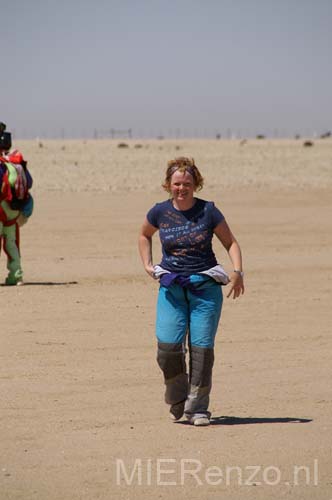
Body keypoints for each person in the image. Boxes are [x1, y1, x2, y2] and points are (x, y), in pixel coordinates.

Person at [138, 157, 244, 426]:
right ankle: (176, 396)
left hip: (204, 289)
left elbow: (230, 242)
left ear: (196, 184)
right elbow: (144, 235)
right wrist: (148, 265)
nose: (181, 188)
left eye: (187, 183)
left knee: (201, 351)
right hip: (172, 289)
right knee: (167, 350)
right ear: (168, 184)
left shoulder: (208, 211)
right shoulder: (159, 212)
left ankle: (198, 409)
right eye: (176, 183)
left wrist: (238, 271)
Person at [0, 122, 33, 285]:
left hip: (1, 208)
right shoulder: (16, 162)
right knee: (11, 243)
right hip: (14, 209)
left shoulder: (1, 164)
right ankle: (16, 275)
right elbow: (30, 182)